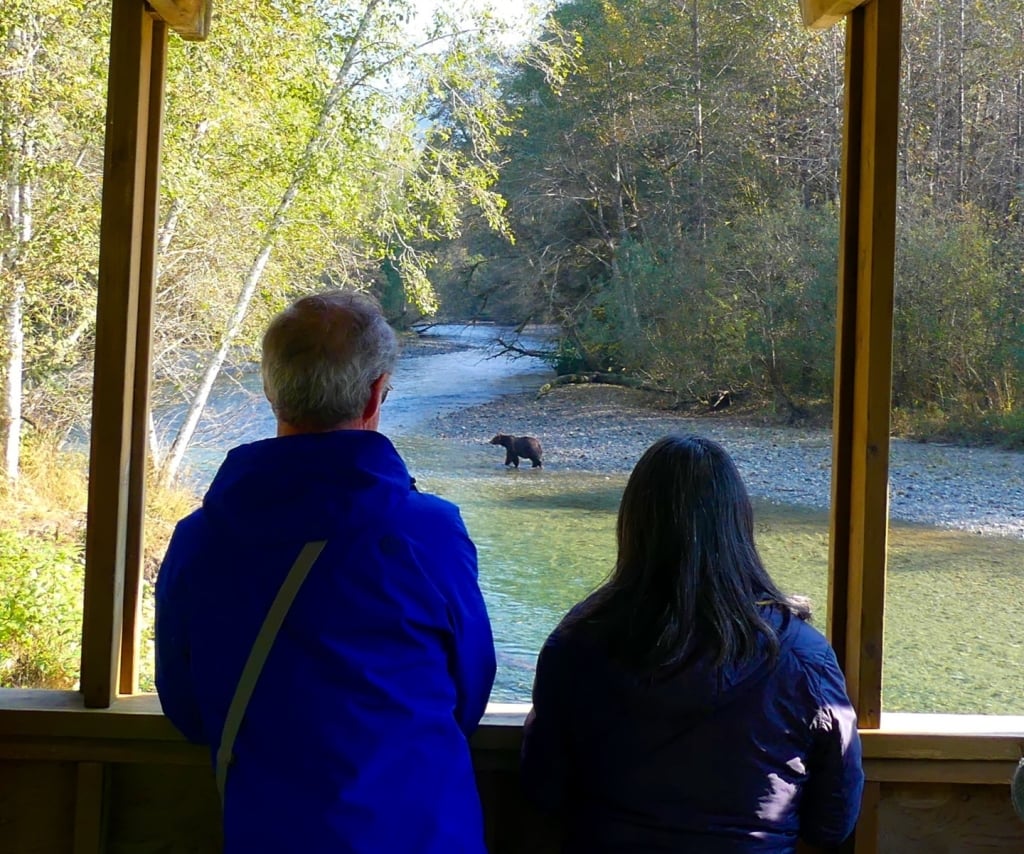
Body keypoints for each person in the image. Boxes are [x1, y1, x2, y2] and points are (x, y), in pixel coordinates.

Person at [155, 289, 496, 854]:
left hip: (268, 834)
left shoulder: (200, 539)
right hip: (425, 833)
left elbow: (187, 707)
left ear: (271, 392)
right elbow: (470, 693)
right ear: (375, 395)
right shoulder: (428, 534)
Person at [521, 434, 864, 853]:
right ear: (739, 525)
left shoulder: (577, 645)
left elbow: (543, 792)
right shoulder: (802, 656)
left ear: (633, 526)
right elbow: (834, 822)